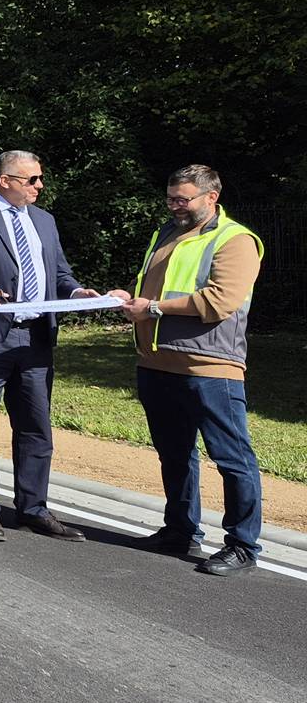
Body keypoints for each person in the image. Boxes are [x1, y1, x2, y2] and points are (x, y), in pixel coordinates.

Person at [0, 150, 127, 543]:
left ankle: (34, 508)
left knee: (36, 426)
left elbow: (59, 272)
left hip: (35, 337)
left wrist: (76, 292)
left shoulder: (45, 220)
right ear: (5, 181)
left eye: (39, 178)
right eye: (31, 179)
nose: (39, 186)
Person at [117, 165, 265, 576]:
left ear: (211, 197)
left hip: (211, 367)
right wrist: (129, 299)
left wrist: (153, 308)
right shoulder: (166, 232)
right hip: (157, 363)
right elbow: (153, 288)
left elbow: (220, 300)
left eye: (183, 199)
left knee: (232, 457)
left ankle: (242, 544)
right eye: (170, 198)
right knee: (174, 454)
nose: (174, 206)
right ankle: (180, 530)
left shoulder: (235, 240)